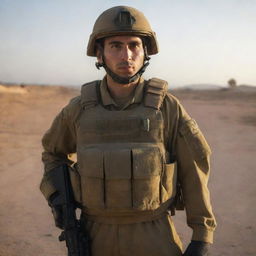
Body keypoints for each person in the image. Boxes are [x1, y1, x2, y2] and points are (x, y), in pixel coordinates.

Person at [40, 5, 216, 256]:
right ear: (99, 54)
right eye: (115, 46)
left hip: (154, 234)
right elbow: (52, 153)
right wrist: (57, 197)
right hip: (94, 234)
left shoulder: (167, 107)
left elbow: (195, 168)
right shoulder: (78, 110)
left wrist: (202, 236)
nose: (127, 55)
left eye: (134, 45)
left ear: (146, 53)